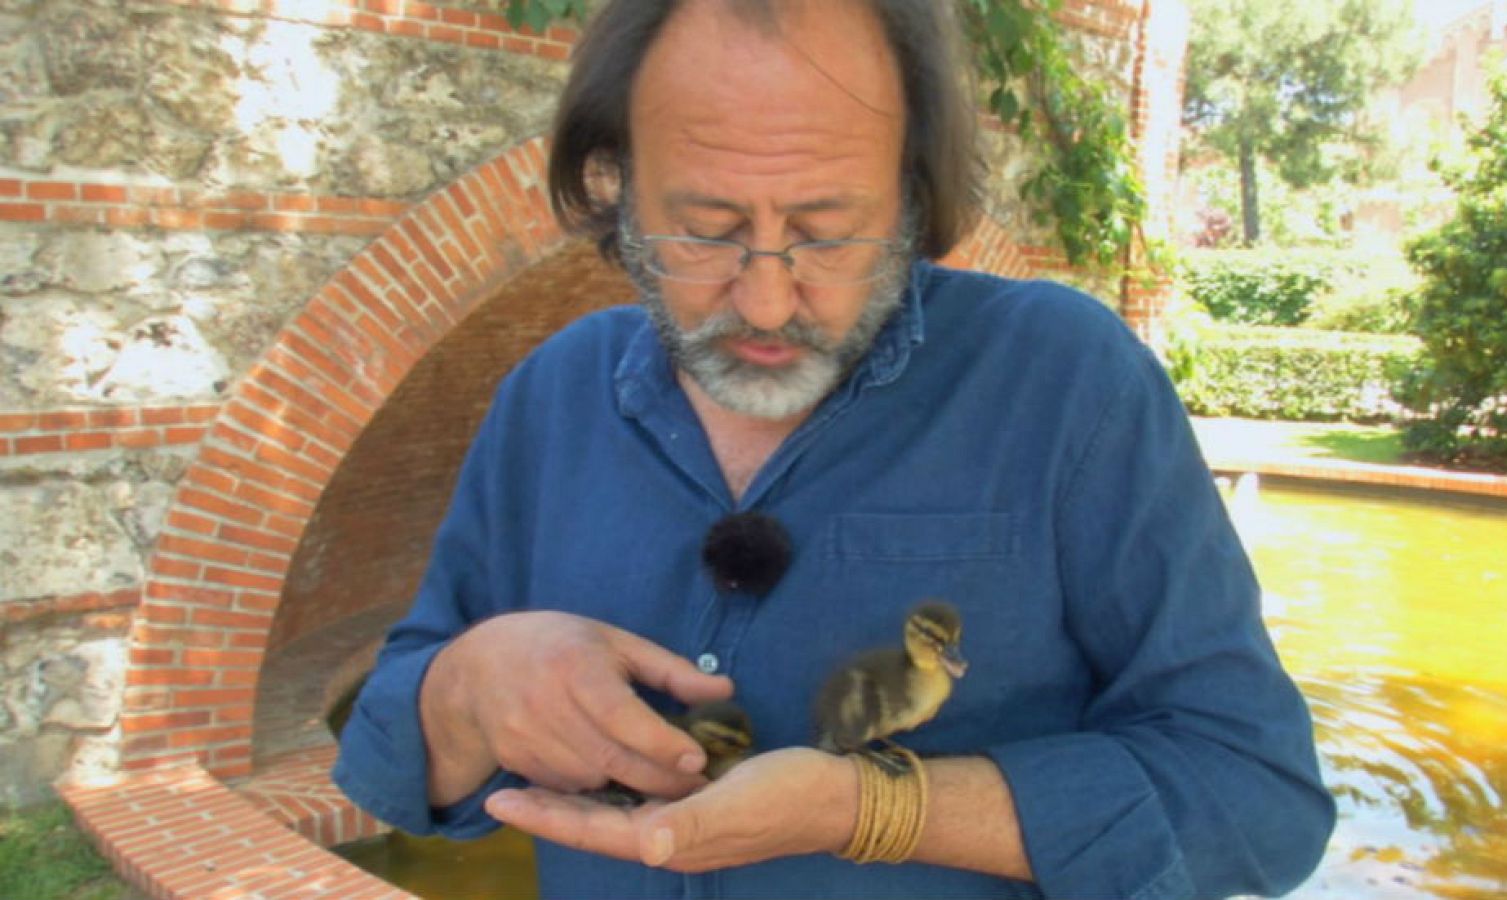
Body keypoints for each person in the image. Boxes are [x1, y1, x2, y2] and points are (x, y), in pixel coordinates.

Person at [332, 1, 1336, 897]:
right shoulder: (550, 395)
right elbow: (396, 732)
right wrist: (463, 694)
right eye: (703, 229)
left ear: (909, 195)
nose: (766, 301)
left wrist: (873, 811)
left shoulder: (1068, 383)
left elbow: (1255, 796)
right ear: (619, 186)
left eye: (827, 232)